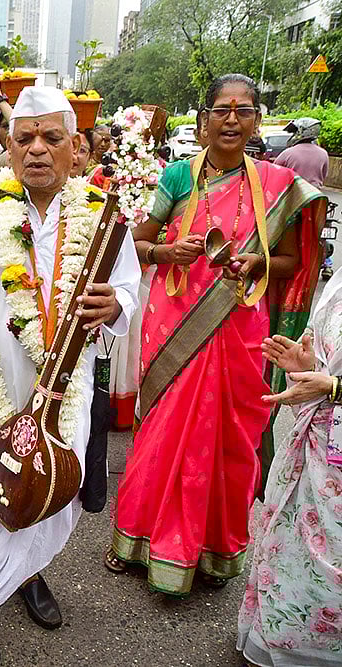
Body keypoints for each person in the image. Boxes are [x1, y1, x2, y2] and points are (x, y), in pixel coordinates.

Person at [0, 86, 140, 665]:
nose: (38, 150)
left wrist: (116, 306)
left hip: (65, 393)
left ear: (76, 147)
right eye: (25, 138)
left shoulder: (103, 214)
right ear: (7, 145)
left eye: (52, 138)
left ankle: (26, 574)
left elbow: (128, 286)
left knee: (50, 498)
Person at [107, 74, 326, 596]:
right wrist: (166, 252)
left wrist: (259, 261)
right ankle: (138, 538)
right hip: (176, 323)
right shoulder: (178, 178)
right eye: (222, 110)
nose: (232, 118)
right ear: (204, 120)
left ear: (256, 120)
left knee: (229, 436)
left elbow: (295, 260)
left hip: (240, 325)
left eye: (244, 110)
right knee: (163, 430)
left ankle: (212, 550)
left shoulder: (276, 184)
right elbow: (134, 243)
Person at [236, 275, 342, 666]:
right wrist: (307, 366)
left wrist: (334, 387)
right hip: (319, 440)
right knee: (291, 542)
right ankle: (283, 641)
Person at [275, 117, 329, 188]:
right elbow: (324, 175)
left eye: (295, 132)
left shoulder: (288, 153)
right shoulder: (323, 153)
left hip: (294, 193)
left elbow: (275, 171)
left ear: (301, 131)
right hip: (315, 193)